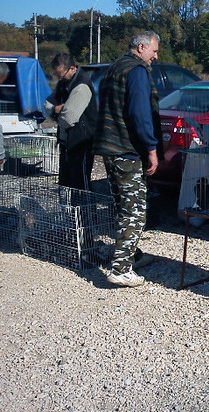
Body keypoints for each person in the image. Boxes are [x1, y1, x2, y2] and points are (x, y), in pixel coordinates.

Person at [94, 31, 164, 287]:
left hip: (109, 148)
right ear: (141, 47)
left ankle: (131, 254)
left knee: (121, 206)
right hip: (126, 149)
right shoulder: (136, 71)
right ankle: (121, 268)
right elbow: (140, 112)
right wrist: (151, 147)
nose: (156, 57)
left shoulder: (113, 69)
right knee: (134, 211)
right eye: (154, 51)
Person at [44, 54, 97, 191]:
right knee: (65, 183)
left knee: (80, 185)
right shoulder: (64, 83)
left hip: (81, 141)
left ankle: (87, 212)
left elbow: (69, 119)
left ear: (72, 68)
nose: (59, 79)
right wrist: (56, 110)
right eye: (57, 76)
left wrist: (58, 112)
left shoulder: (82, 86)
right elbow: (47, 105)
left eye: (61, 76)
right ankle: (69, 212)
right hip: (67, 142)